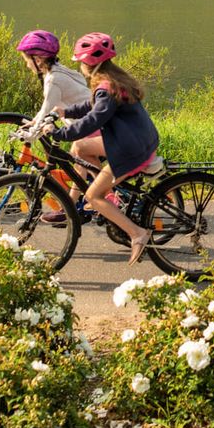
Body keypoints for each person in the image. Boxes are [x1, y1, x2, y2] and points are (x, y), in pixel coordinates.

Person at [39, 32, 164, 263]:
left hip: (130, 150)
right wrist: (66, 112)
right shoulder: (112, 80)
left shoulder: (106, 87)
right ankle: (110, 194)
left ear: (90, 63)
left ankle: (137, 233)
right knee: (81, 147)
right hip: (135, 140)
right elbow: (91, 105)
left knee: (92, 195)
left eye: (82, 62)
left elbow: (94, 120)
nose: (81, 67)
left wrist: (60, 133)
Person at [14, 28, 94, 223]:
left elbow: (47, 107)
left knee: (80, 162)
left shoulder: (53, 79)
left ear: (38, 60)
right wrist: (35, 122)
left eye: (27, 60)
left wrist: (31, 133)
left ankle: (83, 206)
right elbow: (50, 108)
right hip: (88, 125)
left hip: (90, 127)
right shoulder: (62, 71)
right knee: (80, 167)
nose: (27, 65)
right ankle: (75, 207)